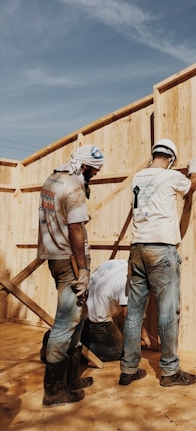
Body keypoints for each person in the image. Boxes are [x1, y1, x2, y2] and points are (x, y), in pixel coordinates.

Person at [119, 139, 196, 387]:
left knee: (134, 312)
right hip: (161, 249)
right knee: (167, 311)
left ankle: (129, 369)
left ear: (153, 154)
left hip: (137, 249)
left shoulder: (137, 178)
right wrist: (194, 168)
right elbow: (192, 186)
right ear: (171, 159)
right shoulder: (172, 177)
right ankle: (169, 371)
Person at [37, 144, 105, 407]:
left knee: (77, 317)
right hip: (70, 261)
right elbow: (75, 229)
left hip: (54, 256)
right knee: (66, 322)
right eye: (94, 171)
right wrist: (84, 269)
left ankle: (71, 380)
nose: (95, 176)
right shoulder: (73, 186)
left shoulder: (51, 180)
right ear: (85, 166)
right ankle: (53, 392)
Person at [81, 258, 157, 361]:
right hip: (97, 321)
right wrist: (145, 336)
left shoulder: (122, 264)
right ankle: (76, 347)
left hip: (82, 310)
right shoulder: (133, 282)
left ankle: (77, 339)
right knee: (119, 351)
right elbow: (130, 315)